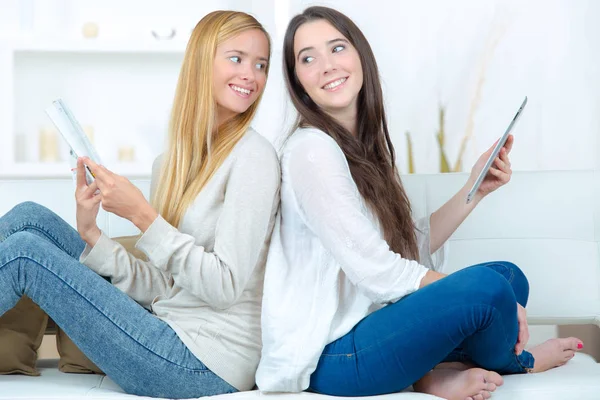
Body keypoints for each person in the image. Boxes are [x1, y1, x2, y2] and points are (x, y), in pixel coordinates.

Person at [256, 6, 582, 400]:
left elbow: (408, 246)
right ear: (298, 82)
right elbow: (377, 270)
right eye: (308, 58)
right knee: (490, 289)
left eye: (337, 48)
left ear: (360, 56)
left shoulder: (363, 149)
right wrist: (477, 292)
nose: (326, 65)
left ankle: (433, 372)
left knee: (508, 278)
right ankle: (518, 361)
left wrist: (474, 191)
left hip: (373, 331)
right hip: (333, 357)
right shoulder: (311, 150)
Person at [0, 10, 279, 398]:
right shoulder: (171, 164)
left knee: (25, 255)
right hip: (165, 328)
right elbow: (165, 287)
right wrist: (91, 234)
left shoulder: (254, 158)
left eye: (261, 64)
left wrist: (143, 216)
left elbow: (224, 287)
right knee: (30, 217)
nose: (251, 74)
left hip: (204, 363)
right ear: (201, 62)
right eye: (237, 58)